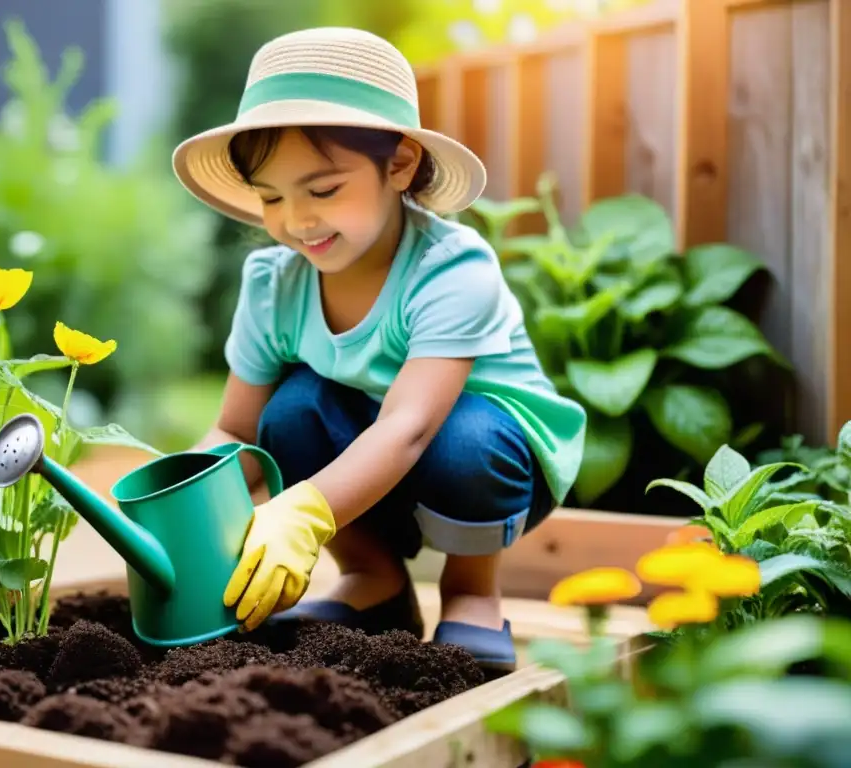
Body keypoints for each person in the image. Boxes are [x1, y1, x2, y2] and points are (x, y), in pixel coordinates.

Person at [172, 26, 586, 670]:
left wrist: (304, 513)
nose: (296, 221)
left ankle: (472, 592)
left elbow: (410, 427)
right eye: (272, 197)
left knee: (467, 437)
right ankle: (376, 580)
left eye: (323, 189)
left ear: (399, 165)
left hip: (477, 449)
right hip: (366, 456)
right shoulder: (273, 284)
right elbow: (236, 427)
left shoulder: (451, 269)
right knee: (290, 411)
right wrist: (181, 510)